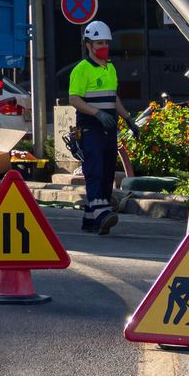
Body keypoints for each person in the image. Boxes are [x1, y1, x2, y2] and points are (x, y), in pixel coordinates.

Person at [68, 20, 121, 235]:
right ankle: (101, 213)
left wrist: (128, 119)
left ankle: (90, 220)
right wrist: (97, 113)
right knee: (95, 170)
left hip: (109, 129)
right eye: (99, 43)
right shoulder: (81, 70)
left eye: (106, 42)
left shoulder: (110, 68)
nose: (104, 46)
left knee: (107, 171)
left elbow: (114, 97)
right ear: (88, 45)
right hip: (91, 129)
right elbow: (74, 99)